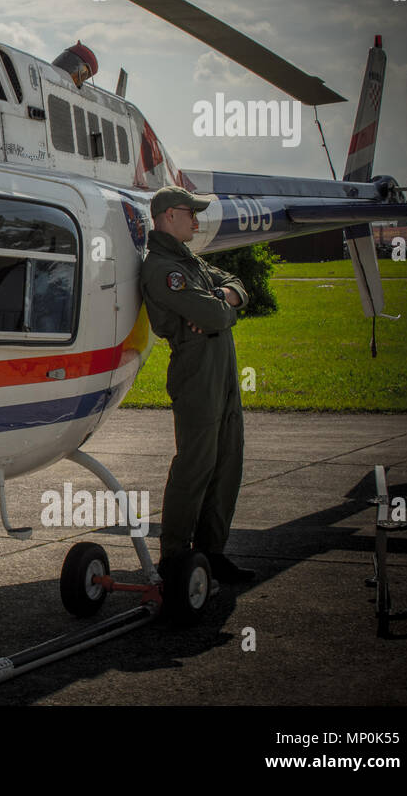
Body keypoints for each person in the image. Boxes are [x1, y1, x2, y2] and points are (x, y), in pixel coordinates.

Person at [141, 185, 256, 585]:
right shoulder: (163, 268)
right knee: (196, 465)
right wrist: (221, 306)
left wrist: (221, 296)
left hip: (222, 367)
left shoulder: (189, 262)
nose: (196, 219)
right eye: (190, 212)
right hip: (196, 370)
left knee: (228, 460)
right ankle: (175, 557)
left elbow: (237, 286)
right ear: (169, 215)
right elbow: (216, 316)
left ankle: (212, 552)